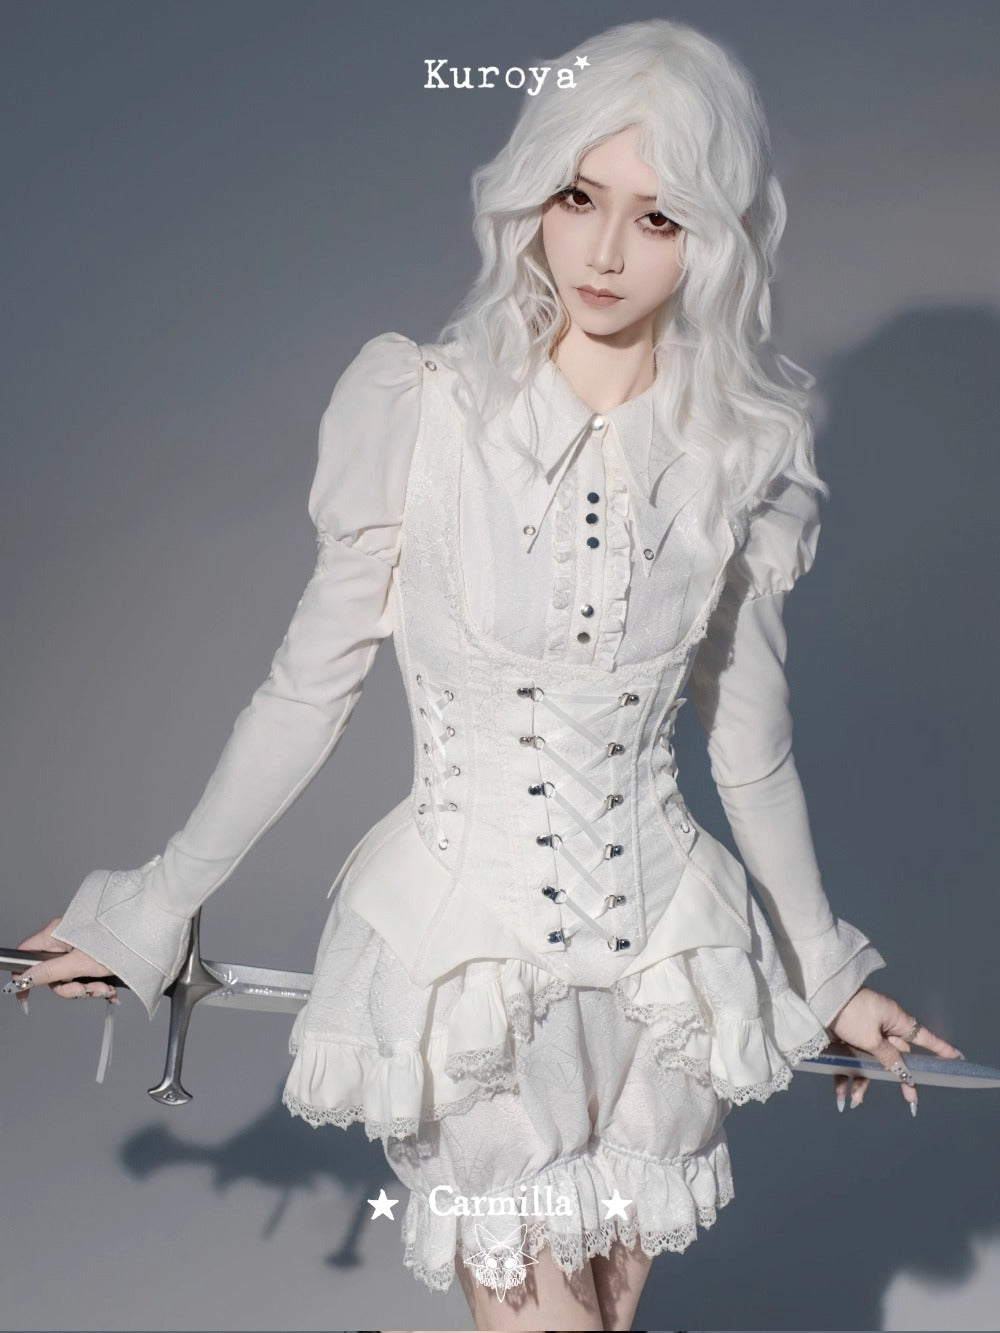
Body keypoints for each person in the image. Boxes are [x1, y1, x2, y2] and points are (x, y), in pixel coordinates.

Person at [10, 17, 961, 1333]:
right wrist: (154, 906)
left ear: (718, 237)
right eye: (578, 198)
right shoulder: (421, 406)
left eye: (658, 217)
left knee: (607, 1321)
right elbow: (306, 692)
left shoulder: (738, 453)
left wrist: (826, 971)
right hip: (465, 973)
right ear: (532, 198)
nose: (605, 253)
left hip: (665, 975)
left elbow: (749, 744)